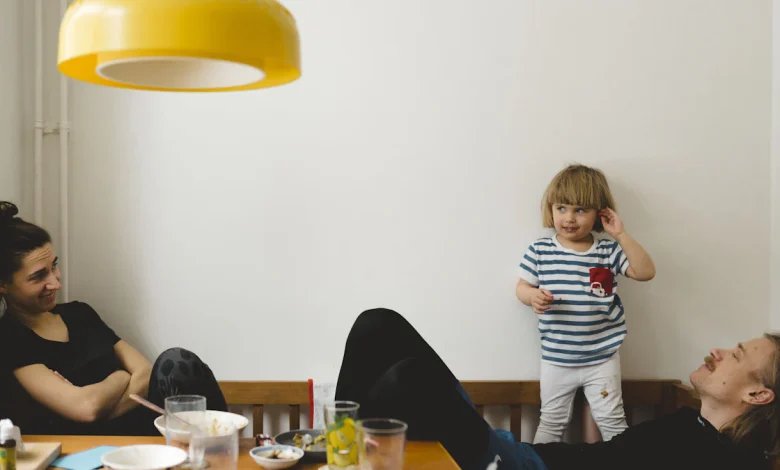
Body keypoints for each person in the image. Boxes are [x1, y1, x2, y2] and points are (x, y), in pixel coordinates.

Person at [336, 308, 779, 470]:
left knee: (410, 379)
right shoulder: (691, 424)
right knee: (378, 324)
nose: (719, 351)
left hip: (511, 466)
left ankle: (343, 458)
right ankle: (338, 446)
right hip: (515, 453)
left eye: (737, 355)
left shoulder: (724, 459)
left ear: (758, 395)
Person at [0, 202, 227, 435]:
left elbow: (145, 372)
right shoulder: (9, 338)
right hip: (80, 447)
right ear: (3, 285)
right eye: (39, 276)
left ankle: (219, 450)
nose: (55, 282)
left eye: (54, 266)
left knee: (178, 362)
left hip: (140, 431)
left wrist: (101, 406)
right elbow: (87, 408)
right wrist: (121, 376)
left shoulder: (80, 314)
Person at [514, 164, 655, 443]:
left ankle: (630, 461)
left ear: (600, 213)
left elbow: (645, 272)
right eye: (562, 208)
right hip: (557, 358)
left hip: (602, 356)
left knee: (613, 421)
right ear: (551, 209)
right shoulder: (540, 250)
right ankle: (538, 462)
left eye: (580, 210)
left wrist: (621, 235)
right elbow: (521, 287)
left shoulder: (607, 250)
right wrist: (532, 297)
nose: (569, 218)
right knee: (551, 421)